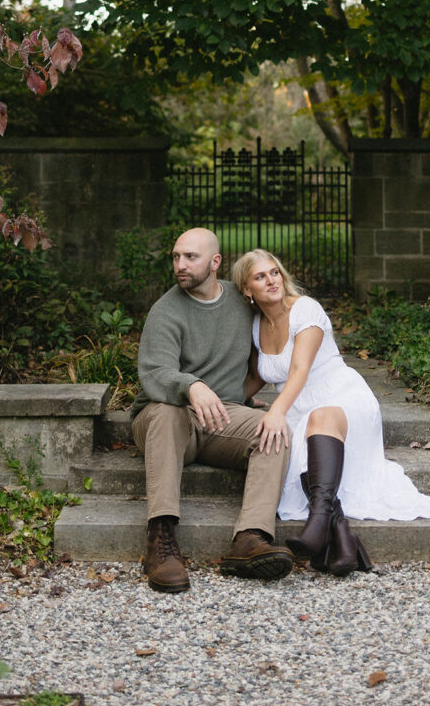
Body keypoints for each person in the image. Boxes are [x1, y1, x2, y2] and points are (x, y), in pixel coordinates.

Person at [232, 249, 430, 577]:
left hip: (341, 398)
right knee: (289, 442)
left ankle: (317, 523)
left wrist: (277, 411)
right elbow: (257, 378)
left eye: (274, 272)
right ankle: (343, 540)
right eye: (260, 277)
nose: (271, 280)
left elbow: (299, 370)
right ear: (248, 290)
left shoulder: (306, 309)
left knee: (316, 420)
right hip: (297, 408)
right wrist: (221, 403)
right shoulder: (257, 326)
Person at [131, 228, 294, 594]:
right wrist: (192, 386)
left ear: (216, 262)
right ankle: (161, 541)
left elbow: (262, 358)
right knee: (167, 413)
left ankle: (250, 539)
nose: (180, 265)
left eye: (191, 257)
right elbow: (155, 373)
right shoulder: (166, 311)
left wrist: (244, 397)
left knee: (274, 429)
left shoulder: (241, 303)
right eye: (176, 257)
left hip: (222, 418)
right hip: (167, 421)